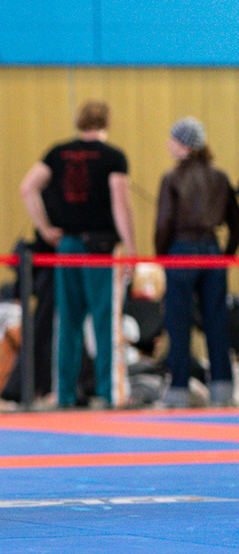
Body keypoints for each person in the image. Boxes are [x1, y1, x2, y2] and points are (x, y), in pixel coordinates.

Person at [20, 100, 137, 408]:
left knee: (68, 321)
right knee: (105, 322)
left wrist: (45, 228)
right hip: (99, 248)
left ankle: (65, 393)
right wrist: (132, 248)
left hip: (67, 245)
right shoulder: (113, 157)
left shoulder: (57, 153)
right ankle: (111, 393)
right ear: (106, 122)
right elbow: (120, 203)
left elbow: (27, 187)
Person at [154, 117, 239, 408]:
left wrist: (161, 254)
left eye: (173, 140)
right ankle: (222, 389)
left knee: (178, 322)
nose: (169, 144)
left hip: (181, 250)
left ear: (186, 145)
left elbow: (164, 222)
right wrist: (227, 252)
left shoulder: (172, 178)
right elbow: (235, 221)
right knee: (217, 321)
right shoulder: (220, 177)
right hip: (213, 252)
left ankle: (178, 389)